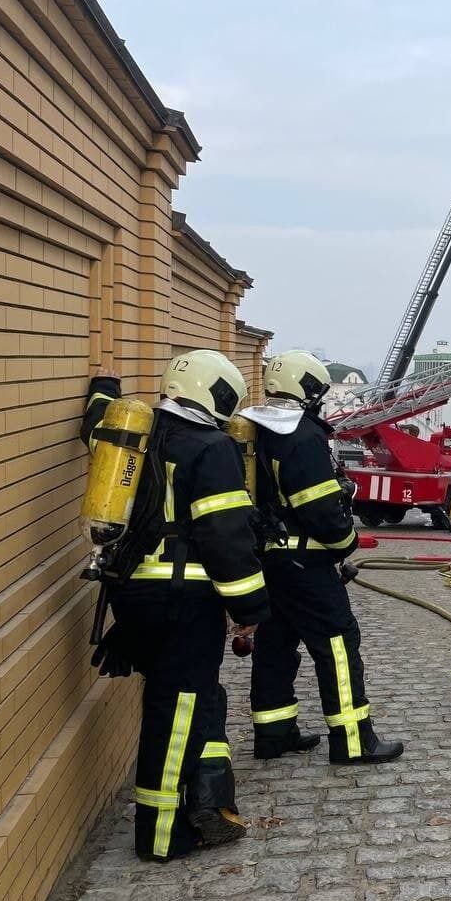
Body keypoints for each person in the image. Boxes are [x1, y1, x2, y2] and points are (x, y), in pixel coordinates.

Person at [81, 350, 268, 860]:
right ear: (220, 396)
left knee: (195, 697)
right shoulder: (211, 449)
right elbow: (226, 538)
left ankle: (209, 797)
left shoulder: (134, 434)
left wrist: (103, 384)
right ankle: (162, 836)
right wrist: (249, 606)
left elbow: (95, 423)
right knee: (177, 709)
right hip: (184, 599)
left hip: (131, 594)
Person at [242, 350, 404, 764]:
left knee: (275, 644)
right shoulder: (302, 435)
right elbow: (321, 513)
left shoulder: (254, 428)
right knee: (337, 643)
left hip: (268, 561)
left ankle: (274, 732)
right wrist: (345, 542)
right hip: (306, 566)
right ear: (309, 389)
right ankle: (353, 741)